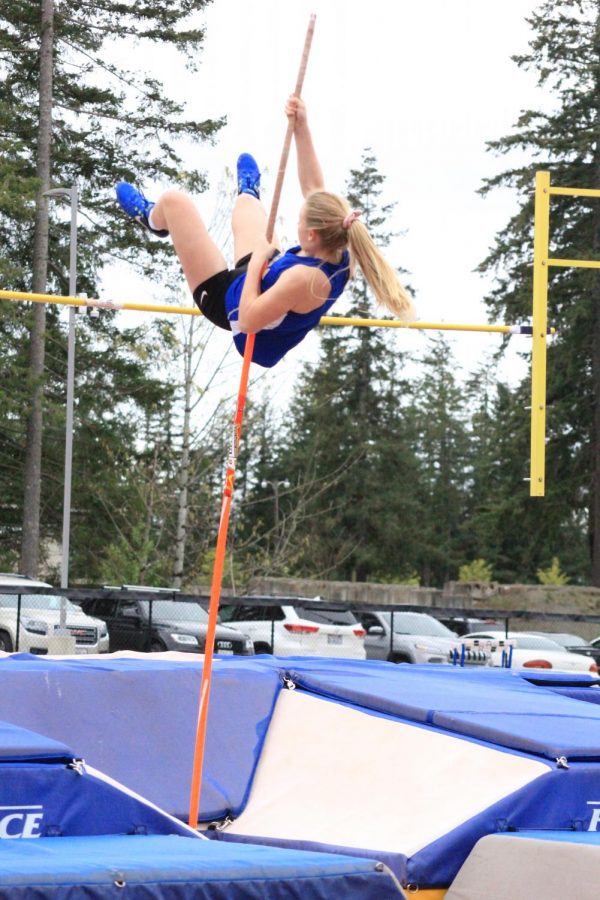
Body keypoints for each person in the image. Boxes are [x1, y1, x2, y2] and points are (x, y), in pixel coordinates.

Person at [115, 96, 415, 369]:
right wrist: (302, 128)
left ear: (311, 236)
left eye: (299, 221)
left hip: (229, 304)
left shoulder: (305, 279)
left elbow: (247, 321)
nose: (295, 223)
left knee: (175, 203)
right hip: (260, 277)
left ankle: (152, 219)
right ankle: (249, 193)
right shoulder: (340, 245)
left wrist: (258, 260)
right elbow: (314, 188)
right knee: (249, 206)